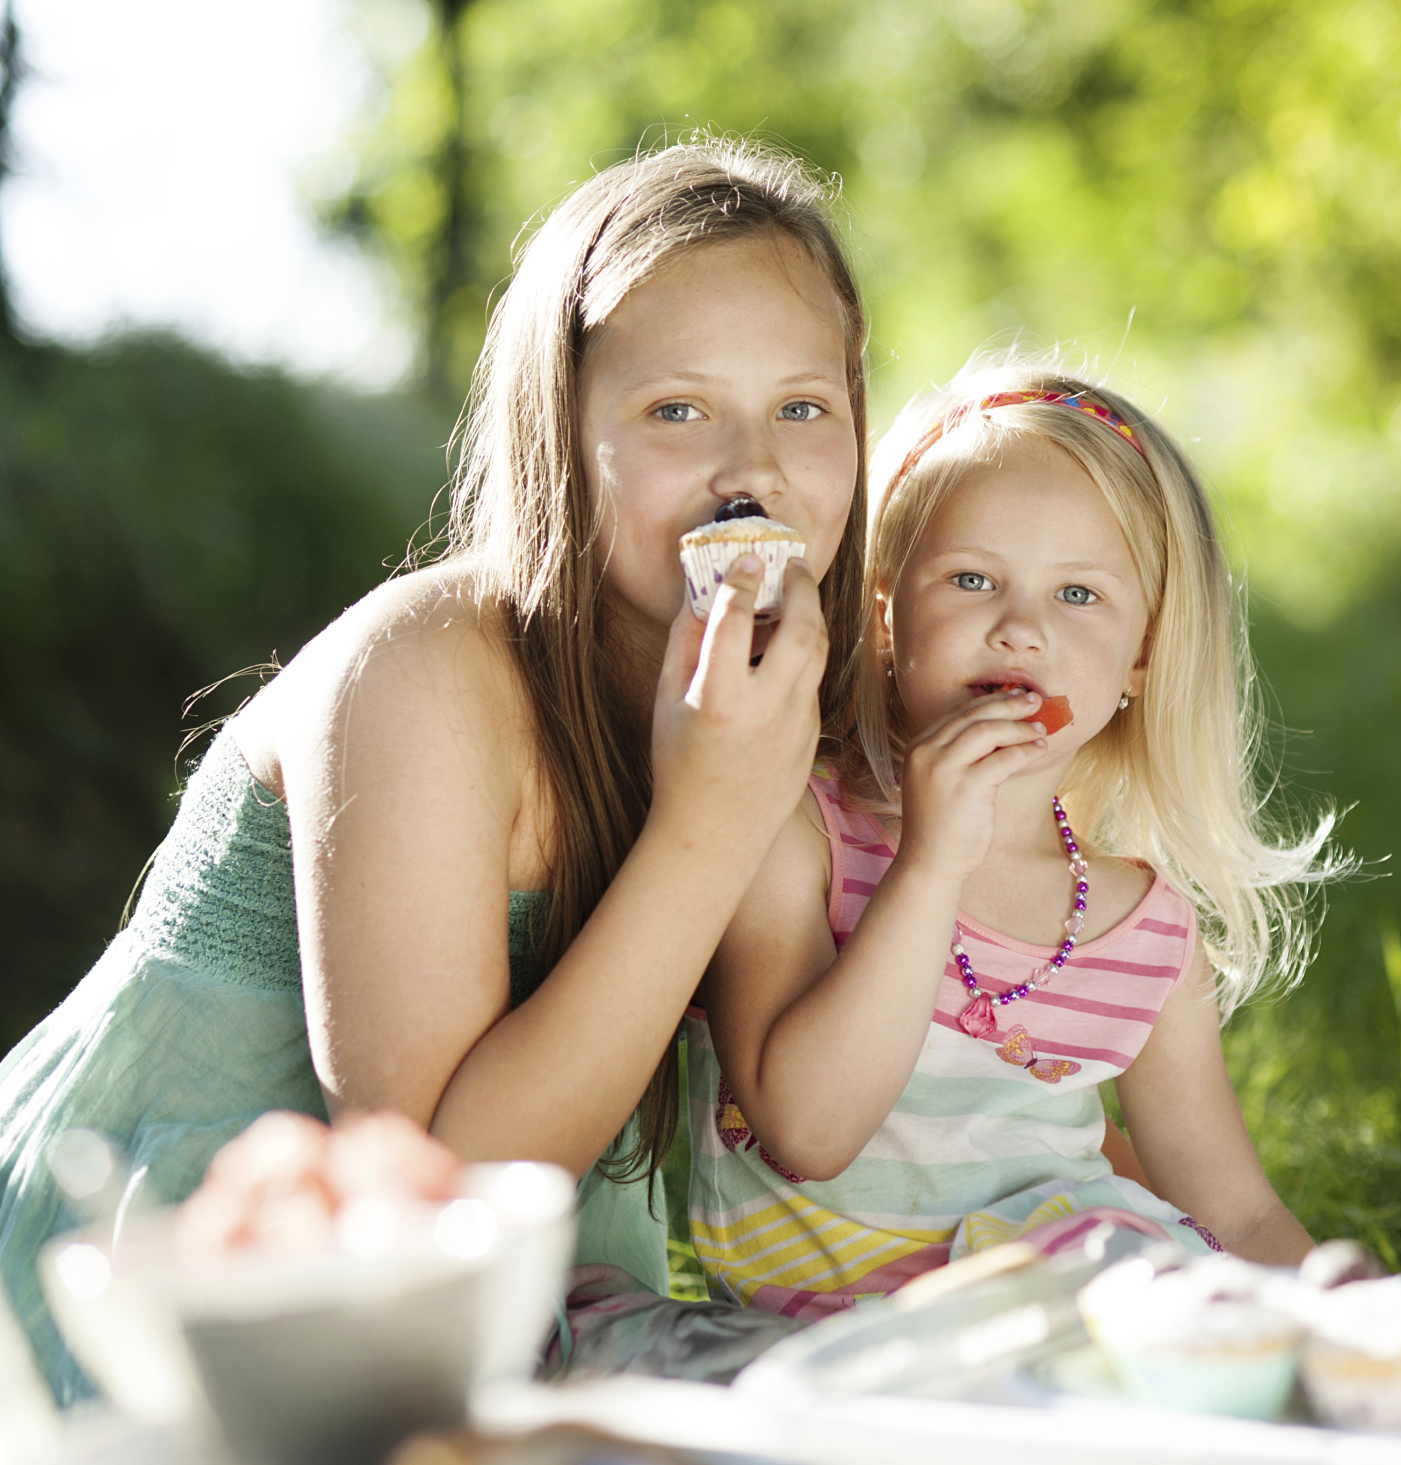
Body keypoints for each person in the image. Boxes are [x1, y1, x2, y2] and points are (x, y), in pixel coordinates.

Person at [0, 138, 868, 1400]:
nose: (754, 468)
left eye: (804, 407)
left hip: (518, 1294)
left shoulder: (764, 685)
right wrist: (712, 823)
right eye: (676, 409)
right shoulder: (422, 672)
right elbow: (432, 1181)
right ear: (560, 435)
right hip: (197, 1269)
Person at [687, 360, 1347, 1317]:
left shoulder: (1144, 932)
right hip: (837, 1366)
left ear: (1141, 658)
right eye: (970, 578)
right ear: (886, 614)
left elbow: (1236, 1214)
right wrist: (929, 864)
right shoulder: (799, 833)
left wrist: (1357, 1323)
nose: (1019, 629)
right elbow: (808, 1131)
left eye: (1079, 595)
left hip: (1066, 1353)